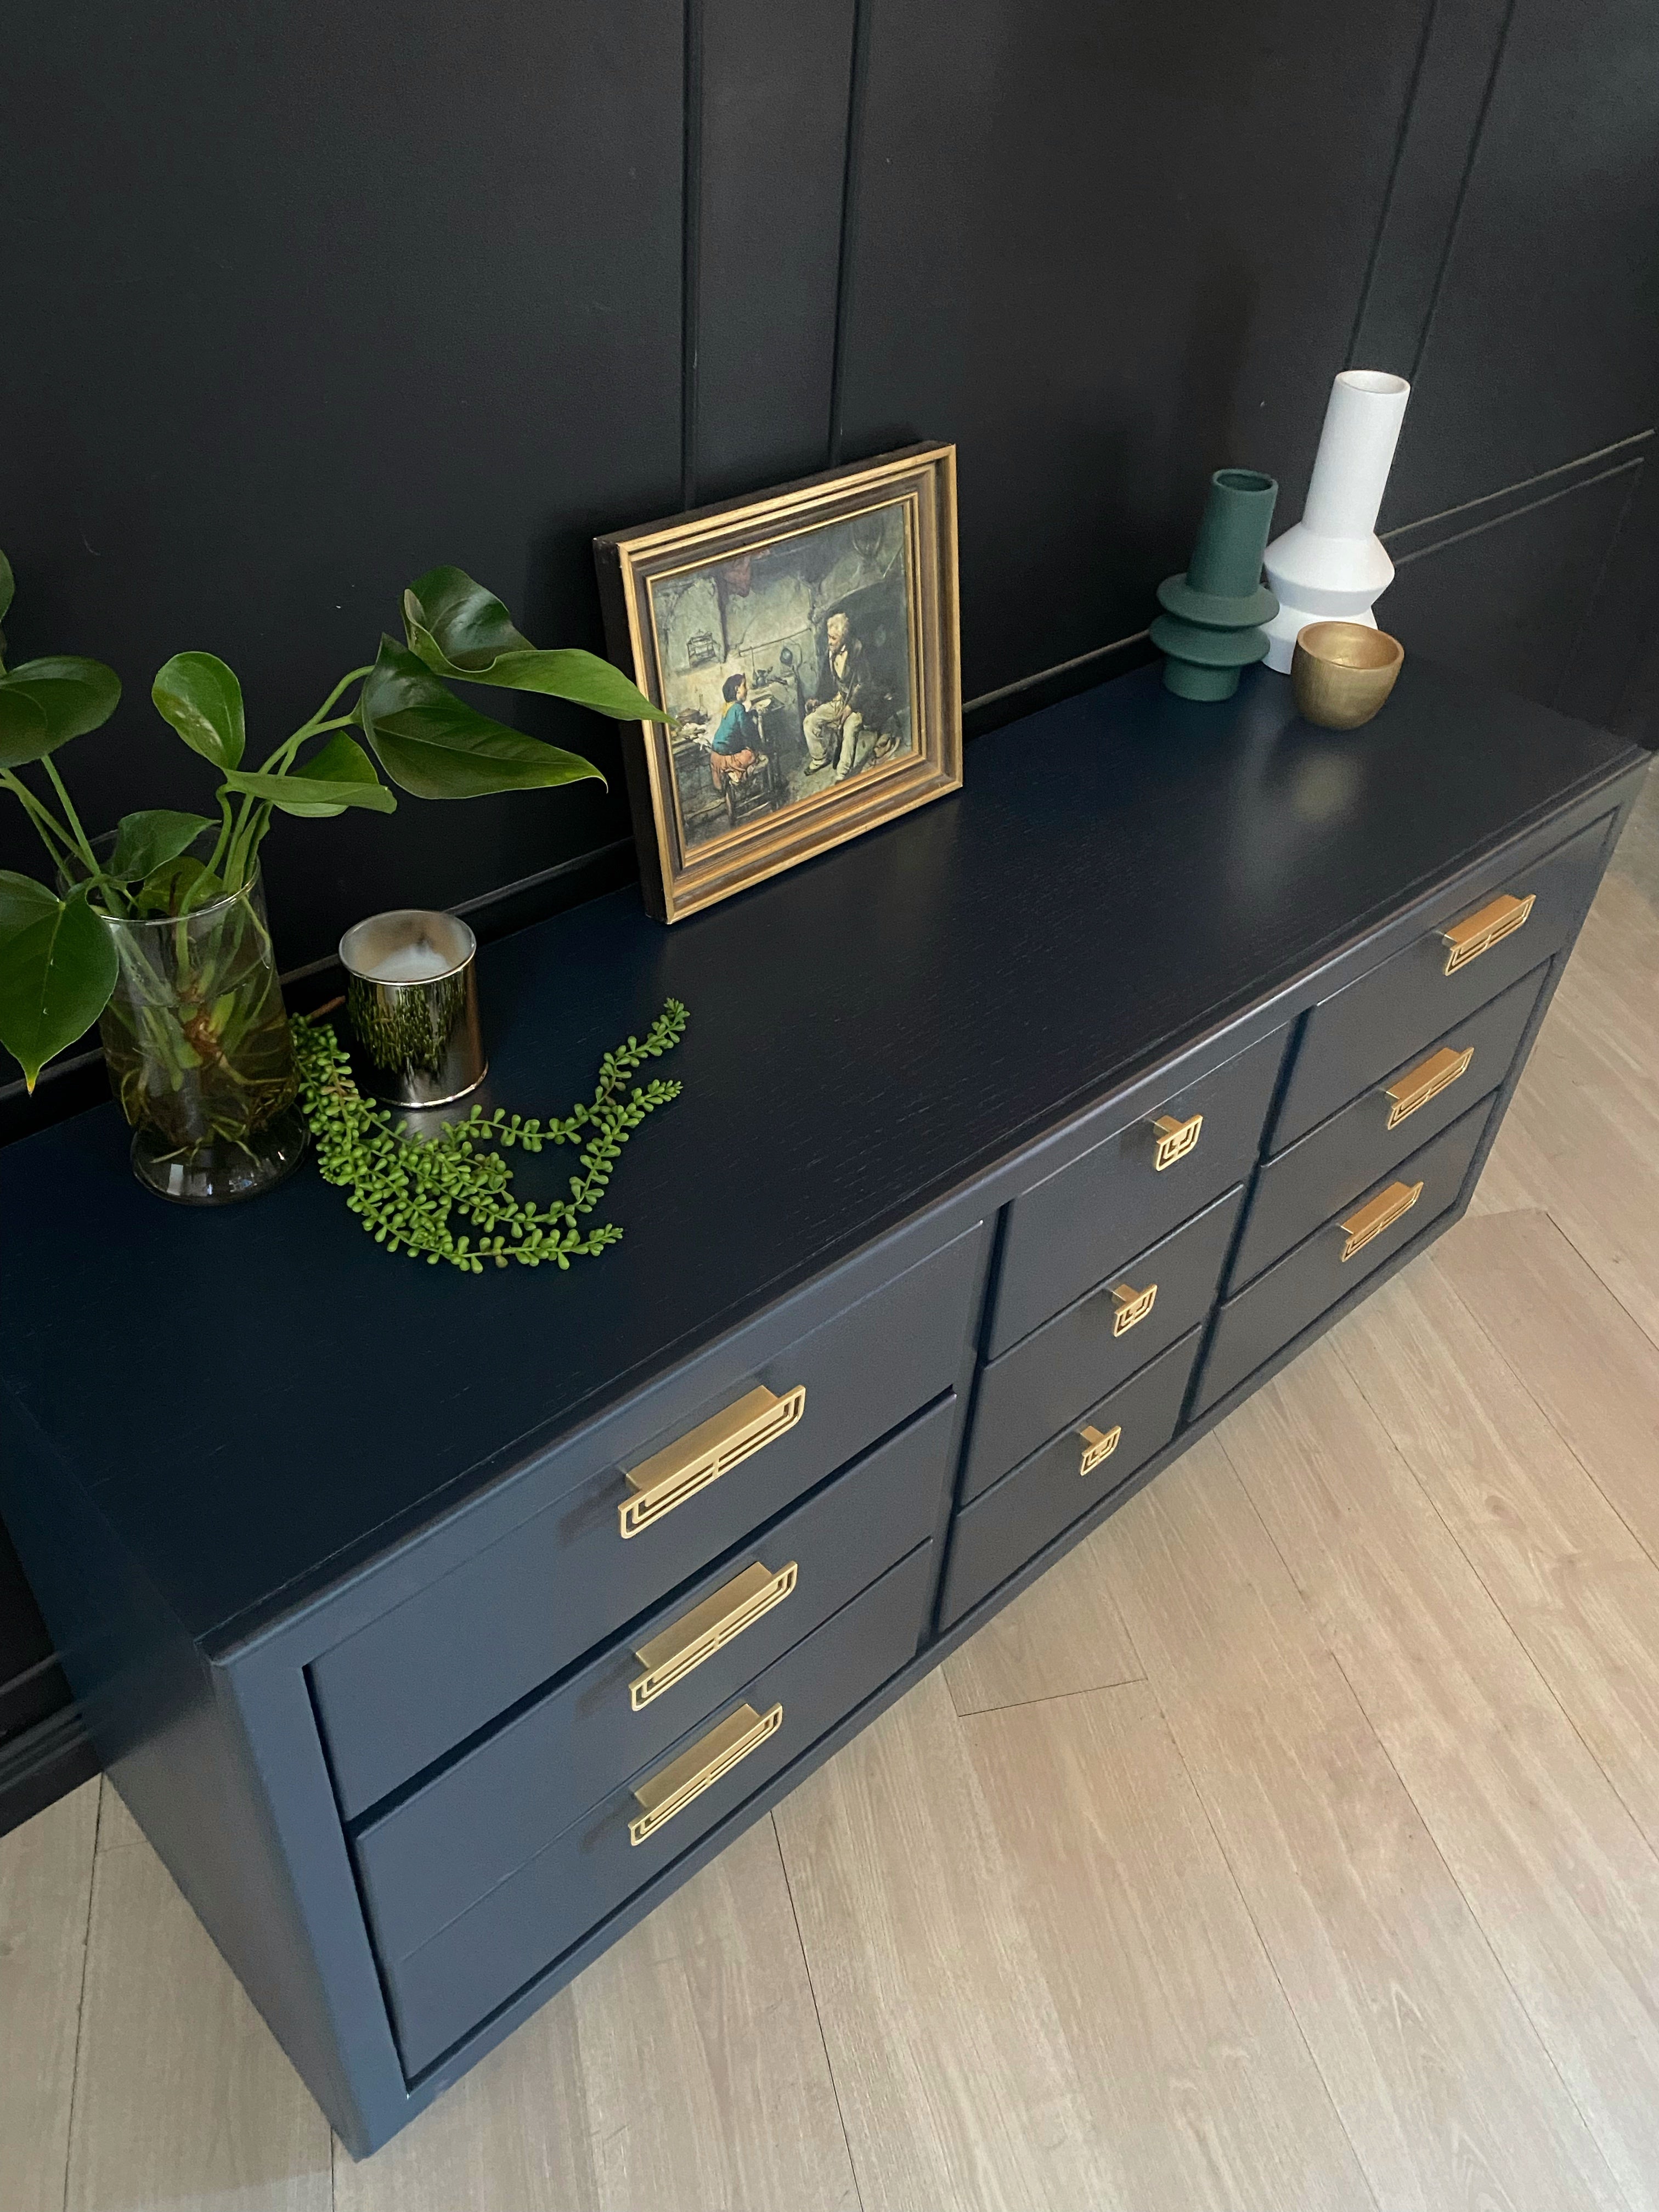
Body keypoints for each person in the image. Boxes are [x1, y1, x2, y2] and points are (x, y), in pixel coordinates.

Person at [803, 610, 885, 782]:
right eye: (828, 637)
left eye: (834, 638)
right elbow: (826, 681)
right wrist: (817, 698)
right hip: (840, 699)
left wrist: (850, 707)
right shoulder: (831, 652)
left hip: (862, 703)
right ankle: (820, 758)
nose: (829, 642)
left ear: (844, 637)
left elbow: (865, 685)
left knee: (850, 727)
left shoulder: (858, 651)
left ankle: (843, 773)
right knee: (810, 721)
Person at [707, 670, 765, 792]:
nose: (747, 690)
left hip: (715, 756)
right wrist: (756, 745)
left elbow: (734, 724)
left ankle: (732, 772)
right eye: (744, 686)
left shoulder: (727, 707)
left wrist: (748, 715)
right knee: (752, 755)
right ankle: (735, 772)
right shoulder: (739, 708)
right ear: (737, 689)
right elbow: (746, 732)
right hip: (727, 757)